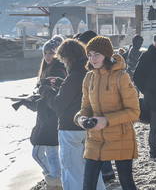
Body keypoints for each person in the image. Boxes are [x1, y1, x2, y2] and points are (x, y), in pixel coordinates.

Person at [75, 36, 140, 190]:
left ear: (106, 54)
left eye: (96, 54)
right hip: (95, 137)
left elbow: (134, 112)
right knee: (88, 185)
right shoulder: (88, 77)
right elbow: (85, 107)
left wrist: (106, 120)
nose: (92, 59)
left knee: (127, 183)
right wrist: (80, 118)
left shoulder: (121, 77)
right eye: (89, 55)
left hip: (121, 137)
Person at [41, 39, 106, 190]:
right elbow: (77, 95)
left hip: (70, 128)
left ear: (68, 57)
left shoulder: (74, 76)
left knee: (72, 171)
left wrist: (45, 91)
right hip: (91, 126)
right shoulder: (91, 73)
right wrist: (60, 84)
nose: (63, 63)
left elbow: (59, 104)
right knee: (92, 170)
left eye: (63, 59)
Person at [26, 36, 66, 189]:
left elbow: (57, 95)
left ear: (57, 53)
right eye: (45, 53)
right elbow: (46, 94)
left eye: (51, 53)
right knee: (47, 152)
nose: (48, 56)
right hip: (45, 115)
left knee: (45, 152)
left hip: (51, 117)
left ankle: (56, 181)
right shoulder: (48, 69)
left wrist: (38, 99)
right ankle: (57, 179)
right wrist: (33, 100)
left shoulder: (58, 70)